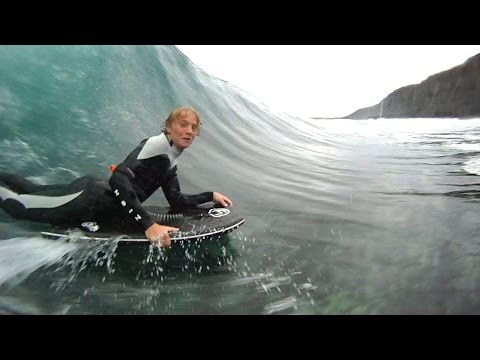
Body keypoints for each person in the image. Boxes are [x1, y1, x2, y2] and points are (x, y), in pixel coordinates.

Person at [0, 106, 232, 247]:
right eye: (183, 125)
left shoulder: (170, 159)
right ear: (169, 128)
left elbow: (176, 200)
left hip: (96, 197)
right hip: (88, 201)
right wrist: (149, 225)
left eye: (194, 127)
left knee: (33, 190)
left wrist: (209, 195)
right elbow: (118, 179)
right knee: (18, 206)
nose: (190, 131)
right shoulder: (157, 144)